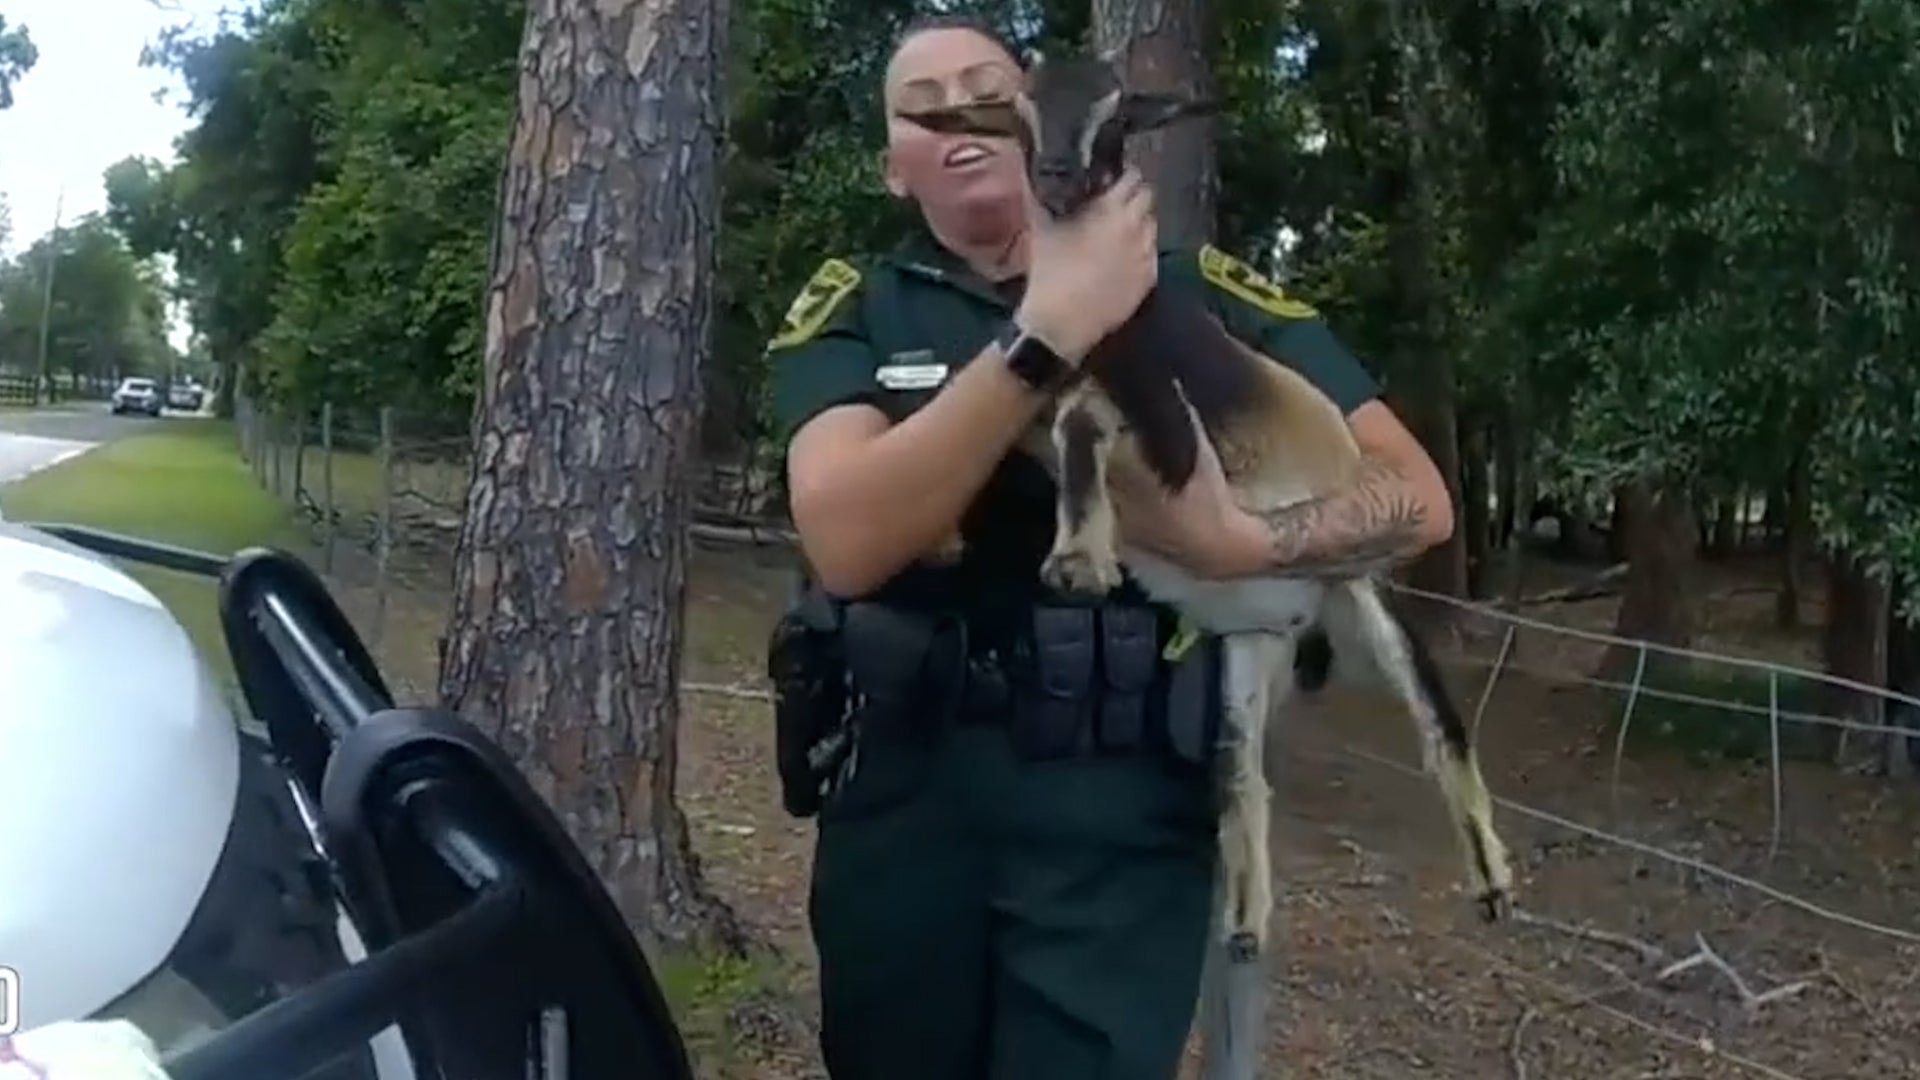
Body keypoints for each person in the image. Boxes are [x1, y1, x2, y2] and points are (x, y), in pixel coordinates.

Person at [763, 15, 1455, 1080]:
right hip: (906, 801)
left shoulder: (1199, 290)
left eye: (987, 93)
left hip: (1122, 812)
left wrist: (1243, 542)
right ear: (894, 169)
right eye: (923, 109)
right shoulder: (855, 306)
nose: (961, 119)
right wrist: (1046, 333)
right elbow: (848, 539)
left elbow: (1415, 498)